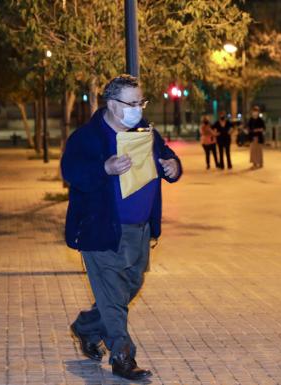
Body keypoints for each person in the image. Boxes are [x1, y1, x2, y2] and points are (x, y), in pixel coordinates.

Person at [61, 74, 182, 381]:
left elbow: (166, 156)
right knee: (114, 296)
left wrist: (173, 167)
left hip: (139, 230)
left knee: (132, 286)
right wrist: (105, 168)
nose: (138, 108)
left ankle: (87, 327)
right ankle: (122, 356)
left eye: (141, 101)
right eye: (132, 102)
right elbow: (71, 171)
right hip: (101, 231)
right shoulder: (88, 137)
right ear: (113, 105)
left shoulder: (144, 132)